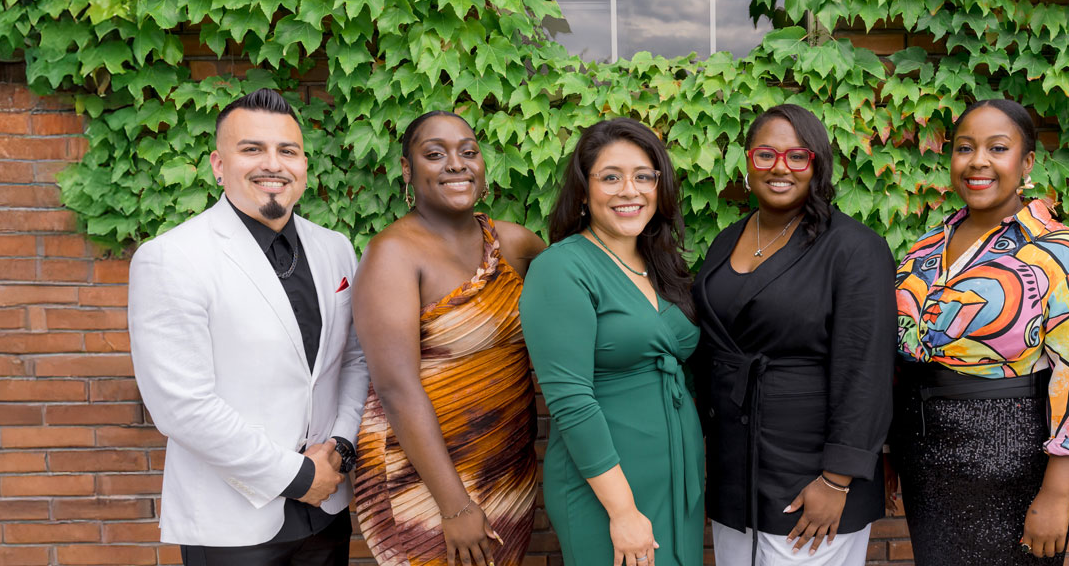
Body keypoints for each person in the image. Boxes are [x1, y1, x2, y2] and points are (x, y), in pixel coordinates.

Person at [129, 88, 370, 565]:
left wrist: (340, 446)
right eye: (252, 149)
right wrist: (297, 475)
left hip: (327, 509)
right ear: (219, 165)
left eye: (288, 150)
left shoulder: (336, 248)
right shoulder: (171, 258)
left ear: (304, 164)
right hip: (232, 523)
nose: (273, 164)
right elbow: (182, 406)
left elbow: (355, 361)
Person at [889, 98, 1069, 564]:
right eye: (964, 148)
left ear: (1027, 161)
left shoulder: (1062, 253)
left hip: (1010, 453)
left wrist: (1057, 495)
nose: (977, 162)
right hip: (925, 453)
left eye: (997, 148)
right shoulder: (926, 245)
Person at [691, 104, 895, 565]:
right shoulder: (729, 239)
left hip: (811, 482)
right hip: (736, 474)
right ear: (747, 161)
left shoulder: (853, 247)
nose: (779, 167)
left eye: (797, 156)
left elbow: (866, 372)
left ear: (816, 164)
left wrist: (836, 479)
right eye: (766, 154)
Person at [350, 111, 547, 566]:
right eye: (435, 154)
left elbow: (582, 286)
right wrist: (455, 506)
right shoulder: (392, 255)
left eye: (468, 151)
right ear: (407, 169)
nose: (456, 164)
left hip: (504, 467)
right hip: (422, 482)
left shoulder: (516, 245)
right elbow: (396, 389)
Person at [519, 118, 703, 566]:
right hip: (608, 491)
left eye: (644, 176)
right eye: (611, 177)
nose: (630, 190)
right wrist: (622, 512)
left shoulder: (662, 263)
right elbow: (571, 400)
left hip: (677, 481)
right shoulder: (561, 269)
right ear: (583, 191)